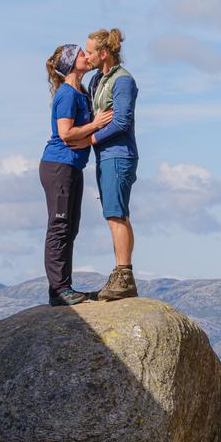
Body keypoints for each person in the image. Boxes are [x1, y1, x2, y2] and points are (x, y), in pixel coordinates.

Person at [39, 40, 112, 307]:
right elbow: (65, 133)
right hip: (58, 166)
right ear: (71, 63)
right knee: (59, 226)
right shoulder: (67, 94)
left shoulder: (79, 91)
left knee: (71, 227)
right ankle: (58, 290)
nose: (86, 55)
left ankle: (63, 286)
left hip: (71, 167)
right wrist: (95, 124)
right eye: (82, 53)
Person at [83, 28, 139, 301]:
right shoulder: (97, 81)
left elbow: (121, 121)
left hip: (119, 154)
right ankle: (121, 272)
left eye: (90, 52)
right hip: (105, 155)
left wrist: (90, 138)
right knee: (115, 214)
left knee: (116, 214)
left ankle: (124, 274)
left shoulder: (123, 81)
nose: (87, 56)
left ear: (104, 53)